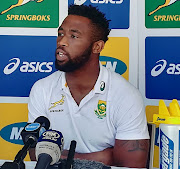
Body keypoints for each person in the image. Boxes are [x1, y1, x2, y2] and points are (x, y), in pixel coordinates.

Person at [28, 4, 150, 168]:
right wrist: (104, 157)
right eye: (60, 34)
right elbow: (36, 154)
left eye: (74, 36)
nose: (62, 41)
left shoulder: (126, 95)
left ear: (97, 47)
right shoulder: (41, 89)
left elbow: (131, 164)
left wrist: (58, 155)